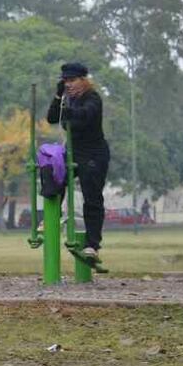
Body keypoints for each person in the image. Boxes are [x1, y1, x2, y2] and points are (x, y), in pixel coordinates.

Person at [47, 62, 110, 263]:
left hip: (93, 153)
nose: (69, 85)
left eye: (72, 80)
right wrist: (58, 97)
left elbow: (86, 115)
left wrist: (67, 112)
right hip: (73, 151)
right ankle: (51, 218)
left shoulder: (92, 98)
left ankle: (92, 245)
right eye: (65, 81)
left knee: (91, 198)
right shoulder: (67, 100)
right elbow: (51, 118)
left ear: (84, 80)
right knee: (52, 172)